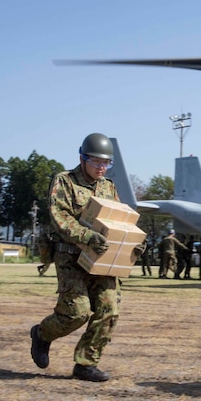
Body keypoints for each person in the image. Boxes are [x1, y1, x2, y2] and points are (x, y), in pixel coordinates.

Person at [29, 132, 144, 382]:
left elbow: (117, 221)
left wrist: (132, 243)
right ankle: (42, 335)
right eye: (96, 162)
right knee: (76, 312)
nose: (102, 167)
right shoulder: (64, 182)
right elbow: (60, 219)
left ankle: (85, 363)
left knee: (109, 309)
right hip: (70, 257)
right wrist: (87, 235)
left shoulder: (108, 187)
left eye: (106, 163)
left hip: (101, 259)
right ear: (82, 158)